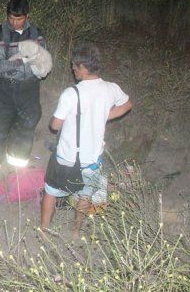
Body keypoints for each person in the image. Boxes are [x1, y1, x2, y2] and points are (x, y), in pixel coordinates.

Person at [40, 43, 133, 238]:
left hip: (67, 157)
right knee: (85, 194)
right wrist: (103, 116)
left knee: (51, 191)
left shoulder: (71, 93)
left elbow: (55, 126)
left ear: (83, 67)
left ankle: (45, 229)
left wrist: (55, 120)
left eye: (74, 65)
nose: (72, 69)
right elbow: (127, 105)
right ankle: (76, 231)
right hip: (92, 158)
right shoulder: (111, 88)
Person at [0, 0, 48, 175]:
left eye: (19, 19)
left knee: (26, 128)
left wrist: (39, 67)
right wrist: (19, 61)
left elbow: (44, 66)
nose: (14, 23)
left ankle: (17, 168)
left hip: (30, 90)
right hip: (6, 89)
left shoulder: (37, 35)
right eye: (11, 18)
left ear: (27, 16)